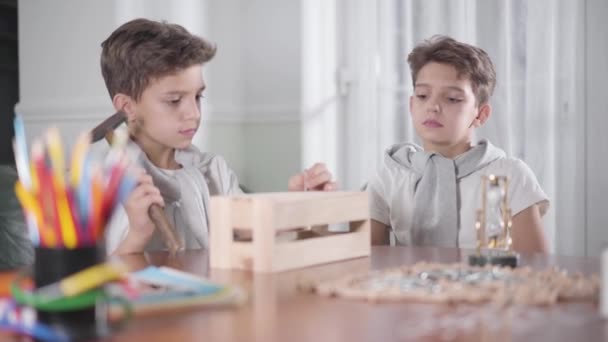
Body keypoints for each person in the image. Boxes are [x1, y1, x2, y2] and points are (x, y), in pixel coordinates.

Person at [100, 18, 335, 254]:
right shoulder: (107, 184)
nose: (193, 113)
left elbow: (252, 231)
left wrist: (297, 207)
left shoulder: (213, 171)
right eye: (174, 100)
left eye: (198, 97)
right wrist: (138, 234)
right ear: (127, 107)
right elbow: (98, 281)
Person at [368, 35, 549, 253]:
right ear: (411, 104)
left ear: (481, 114)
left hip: (488, 286)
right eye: (423, 95)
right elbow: (364, 261)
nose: (433, 106)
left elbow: (536, 269)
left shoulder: (509, 175)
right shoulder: (392, 174)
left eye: (452, 99)